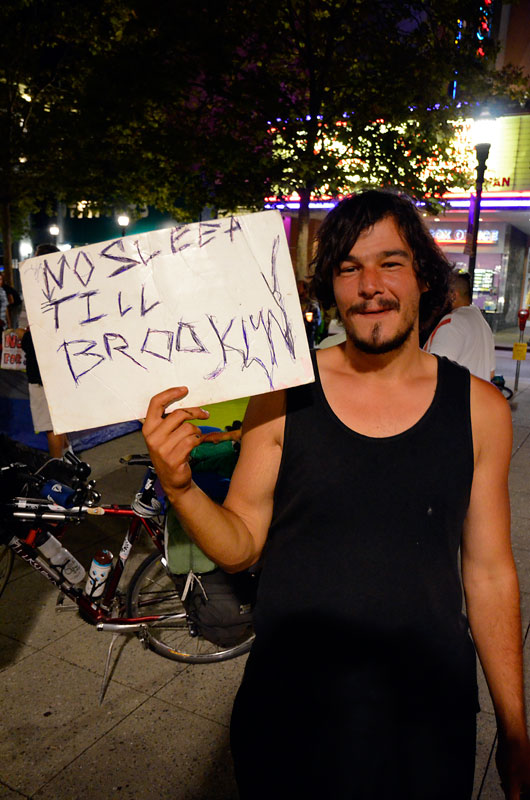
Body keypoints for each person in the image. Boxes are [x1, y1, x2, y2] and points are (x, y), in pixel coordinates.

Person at [142, 190, 530, 799]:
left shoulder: (480, 410)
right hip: (292, 714)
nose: (369, 283)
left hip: (425, 718)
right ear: (332, 287)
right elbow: (241, 547)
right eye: (348, 267)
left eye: (390, 262)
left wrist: (515, 727)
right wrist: (181, 487)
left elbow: (489, 573)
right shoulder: (283, 396)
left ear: (424, 278)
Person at [21, 244, 70, 458]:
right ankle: (70, 462)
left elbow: (28, 339)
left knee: (51, 425)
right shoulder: (66, 289)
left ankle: (59, 469)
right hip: (62, 366)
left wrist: (25, 336)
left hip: (42, 370)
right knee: (61, 420)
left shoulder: (36, 293)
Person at [424, 271, 496, 381]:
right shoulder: (482, 323)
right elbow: (491, 373)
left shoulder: (452, 323)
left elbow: (433, 373)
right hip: (475, 396)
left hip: (452, 397)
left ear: (453, 295)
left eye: (443, 294)